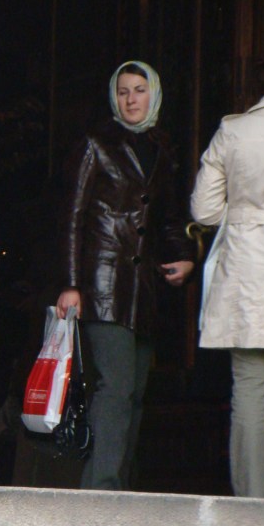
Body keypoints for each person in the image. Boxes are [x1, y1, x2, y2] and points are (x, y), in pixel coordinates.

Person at [56, 60, 195, 490]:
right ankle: (101, 490)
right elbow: (72, 217)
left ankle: (119, 486)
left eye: (139, 90)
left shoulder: (162, 147)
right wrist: (71, 284)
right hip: (102, 284)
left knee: (133, 394)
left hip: (143, 290)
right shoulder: (96, 144)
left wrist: (186, 257)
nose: (131, 99)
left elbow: (170, 218)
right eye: (123, 92)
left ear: (154, 94)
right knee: (115, 388)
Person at [190, 45, 264, 500]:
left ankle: (250, 504)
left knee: (249, 390)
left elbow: (205, 209)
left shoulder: (233, 130)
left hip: (245, 269)